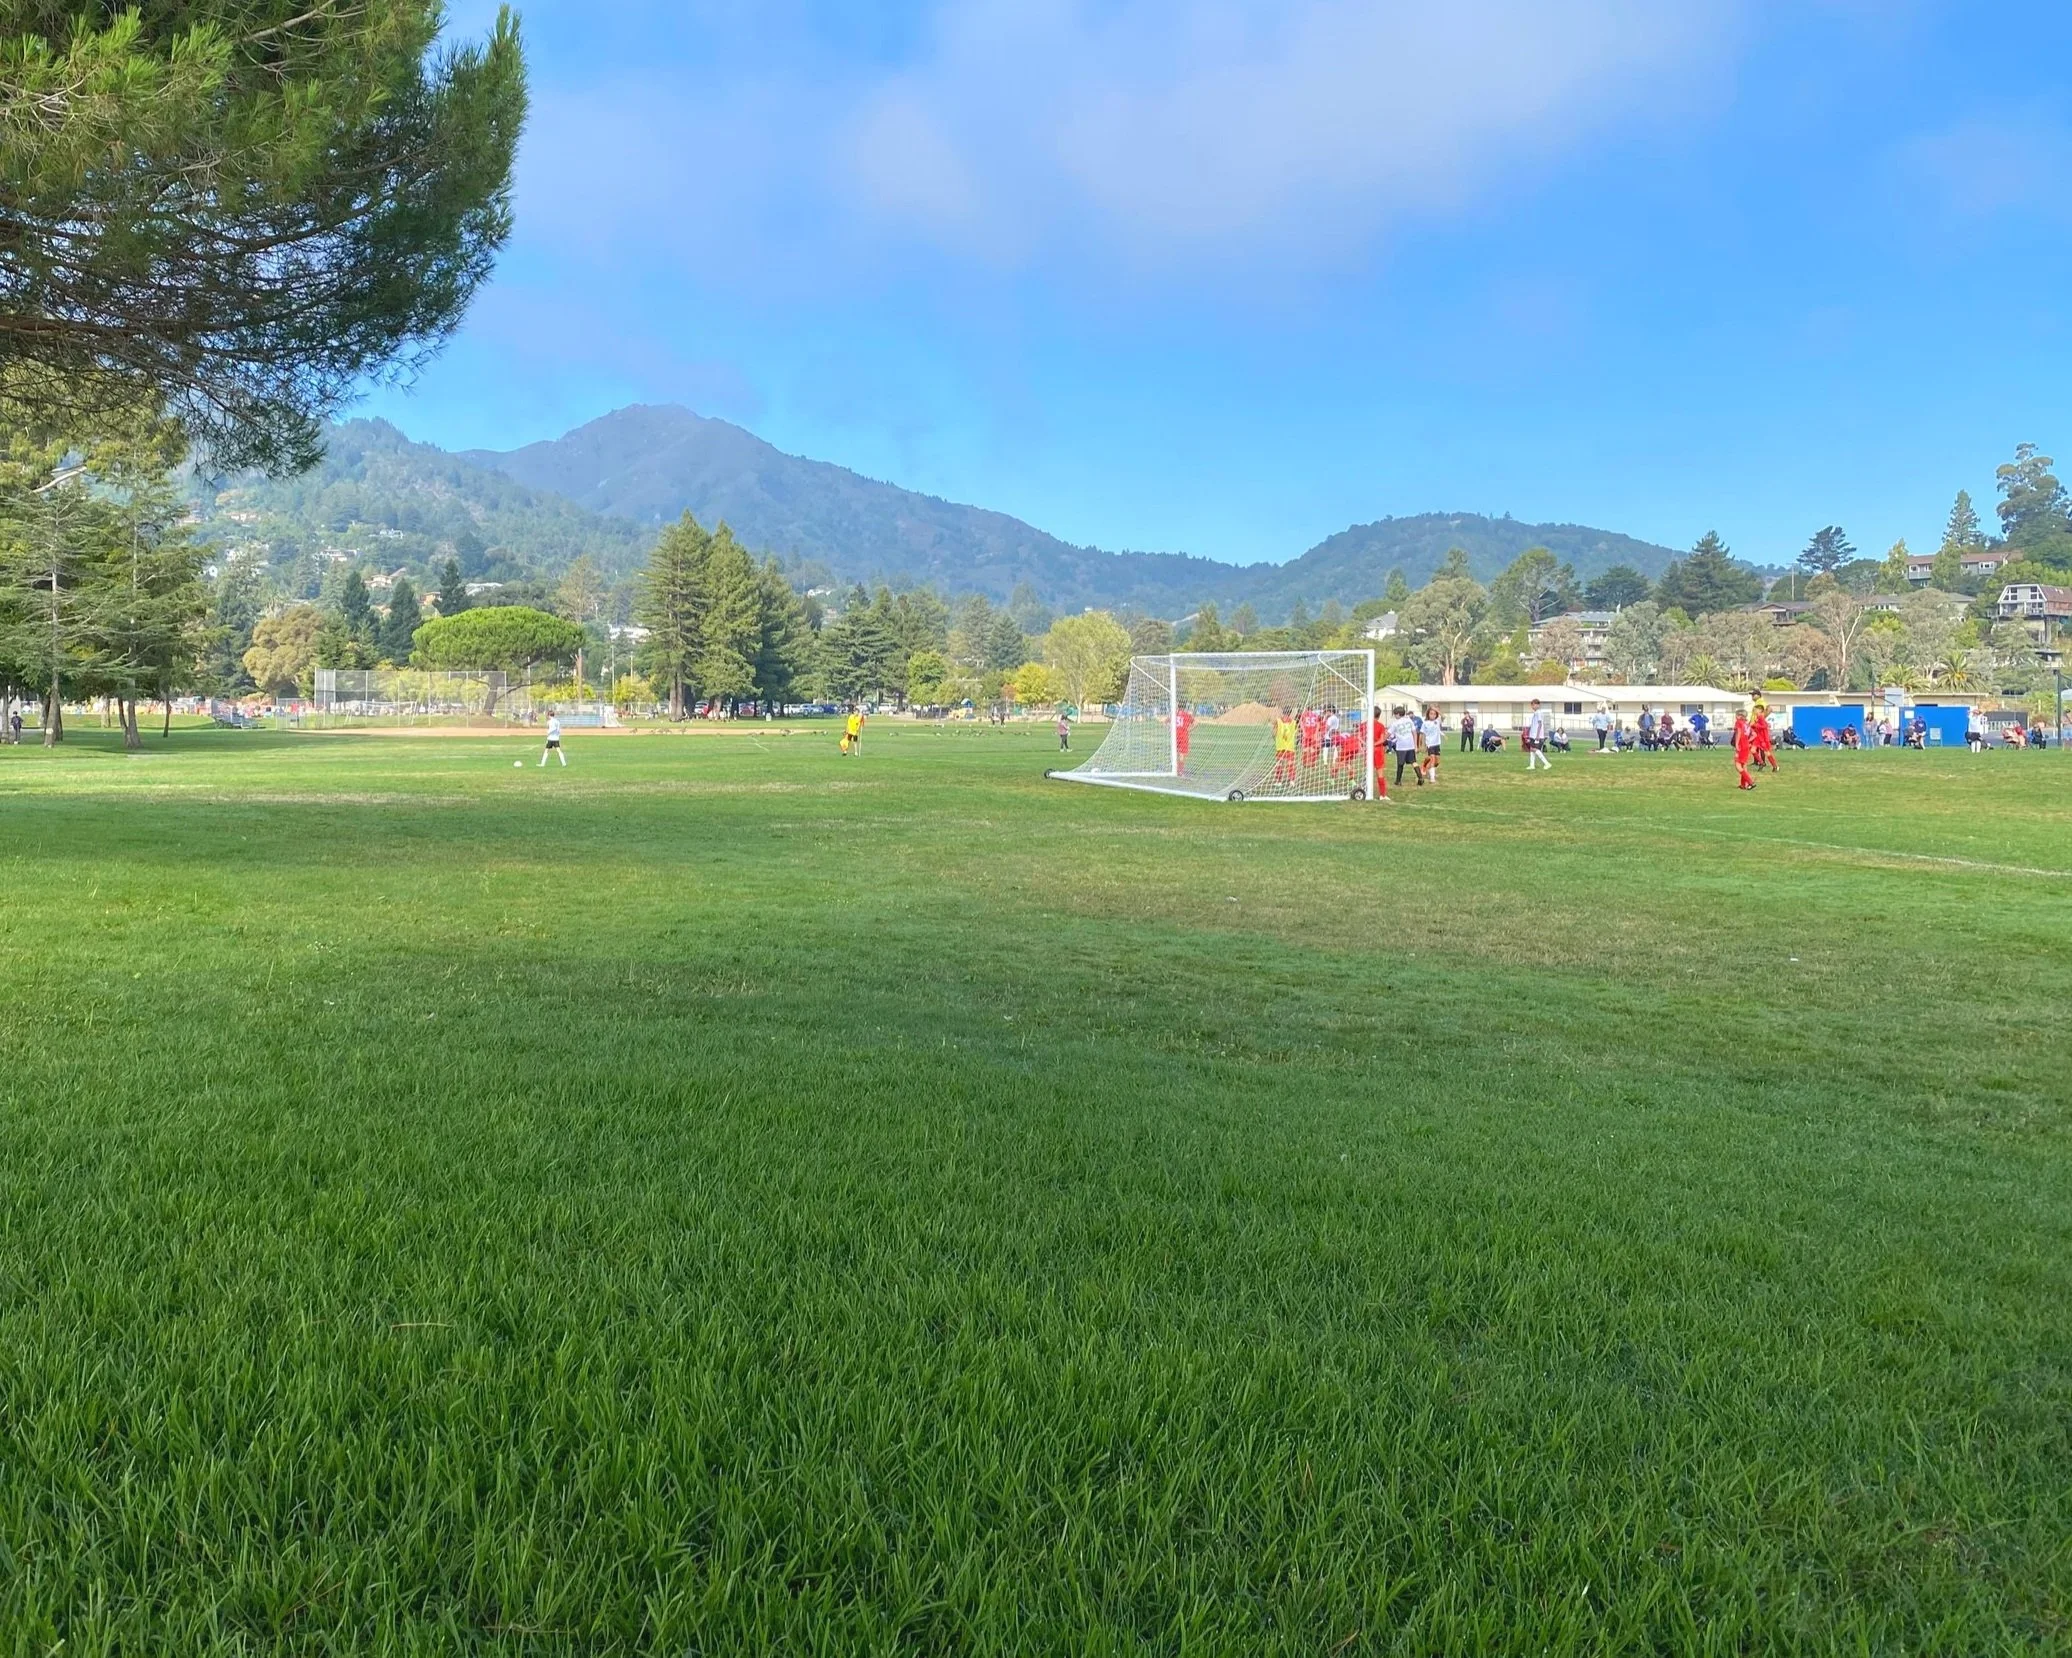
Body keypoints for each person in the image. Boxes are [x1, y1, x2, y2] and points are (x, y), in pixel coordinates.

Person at [1391, 705, 1419, 787]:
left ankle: (1398, 780)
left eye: (1395, 714)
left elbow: (1389, 733)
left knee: (1400, 764)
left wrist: (1382, 740)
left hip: (1401, 747)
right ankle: (1420, 777)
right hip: (1410, 745)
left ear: (1398, 714)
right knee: (1413, 762)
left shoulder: (1395, 723)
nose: (1395, 716)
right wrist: (1415, 745)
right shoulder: (1409, 721)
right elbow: (1414, 732)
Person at [1271, 708, 1299, 784]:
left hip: (1280, 747)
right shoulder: (1294, 722)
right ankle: (1292, 781)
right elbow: (1297, 734)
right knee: (1290, 764)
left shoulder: (1278, 721)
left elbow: (1273, 733)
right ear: (1290, 713)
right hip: (1290, 747)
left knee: (1279, 764)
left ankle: (1279, 782)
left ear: (1282, 713)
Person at [1524, 698, 1552, 770]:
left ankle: (1547, 763)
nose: (1532, 707)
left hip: (1537, 735)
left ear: (1537, 705)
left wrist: (1537, 735)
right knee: (1531, 749)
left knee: (1534, 749)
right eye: (1532, 705)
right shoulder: (1535, 713)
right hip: (1533, 735)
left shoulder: (1539, 713)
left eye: (1533, 705)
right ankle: (1532, 765)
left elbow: (1540, 724)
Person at [1419, 706, 1444, 784]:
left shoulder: (1437, 721)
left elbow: (1443, 716)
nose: (1432, 715)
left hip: (1437, 744)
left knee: (1437, 762)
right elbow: (1422, 734)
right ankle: (1432, 778)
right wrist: (1422, 744)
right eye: (1431, 714)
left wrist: (1436, 709)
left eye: (1434, 714)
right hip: (1430, 744)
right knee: (1432, 760)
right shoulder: (1425, 723)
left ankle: (1424, 765)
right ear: (1428, 714)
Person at [1733, 711, 1756, 790]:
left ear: (1740, 716)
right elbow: (1754, 735)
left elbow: (1738, 733)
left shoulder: (1739, 723)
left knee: (1738, 765)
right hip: (1746, 745)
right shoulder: (1747, 724)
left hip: (1741, 745)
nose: (1735, 717)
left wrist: (1736, 744)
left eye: (1736, 715)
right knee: (1744, 765)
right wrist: (1748, 741)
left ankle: (1750, 782)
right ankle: (1743, 784)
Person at [1751, 704, 1778, 772]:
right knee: (1753, 750)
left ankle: (1775, 766)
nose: (1754, 711)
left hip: (1763, 738)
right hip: (1758, 737)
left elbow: (1764, 726)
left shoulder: (1760, 717)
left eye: (1755, 709)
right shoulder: (1758, 717)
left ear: (1760, 710)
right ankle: (1762, 763)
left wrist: (1755, 725)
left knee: (1767, 753)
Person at [1174, 705, 1194, 773]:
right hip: (1184, 737)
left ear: (1178, 707)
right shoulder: (1186, 715)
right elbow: (1196, 723)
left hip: (1175, 736)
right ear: (1184, 708)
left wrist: (1170, 730)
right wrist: (1189, 729)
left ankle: (1175, 770)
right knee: (1181, 755)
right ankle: (1180, 771)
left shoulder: (1174, 715)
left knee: (1175, 753)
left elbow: (1165, 722)